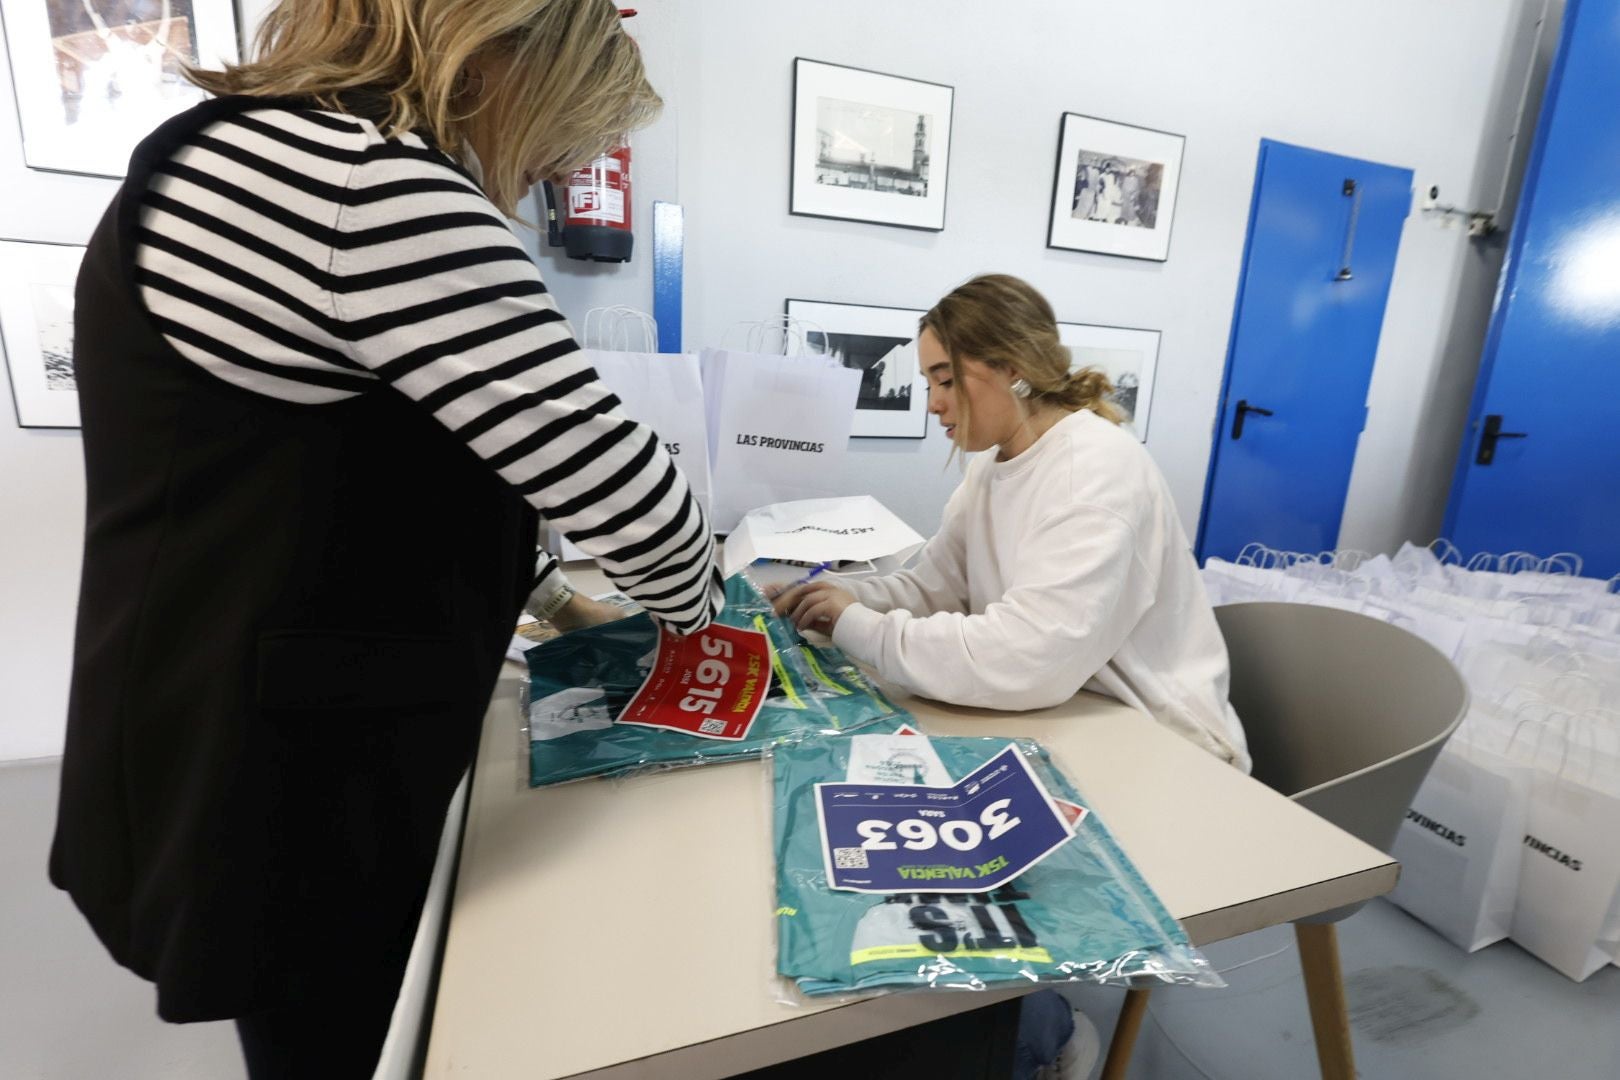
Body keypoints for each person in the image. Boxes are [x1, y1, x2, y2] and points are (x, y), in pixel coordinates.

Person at [50, 1, 721, 1076]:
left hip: (211, 717)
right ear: (506, 66)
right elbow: (632, 496)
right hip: (283, 785)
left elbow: (369, 481)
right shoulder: (363, 181)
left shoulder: (247, 150)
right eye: (560, 141)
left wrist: (553, 597)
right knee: (346, 1046)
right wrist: (708, 616)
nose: (543, 175)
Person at [772, 272, 1248, 1077]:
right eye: (928, 381)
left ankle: (1038, 1037)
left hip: (1156, 739)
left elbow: (1025, 659)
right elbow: (931, 586)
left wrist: (861, 627)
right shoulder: (994, 468)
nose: (933, 403)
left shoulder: (1097, 474)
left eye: (944, 378)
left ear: (1007, 368)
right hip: (1064, 714)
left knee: (931, 847)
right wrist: (841, 597)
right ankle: (998, 1021)